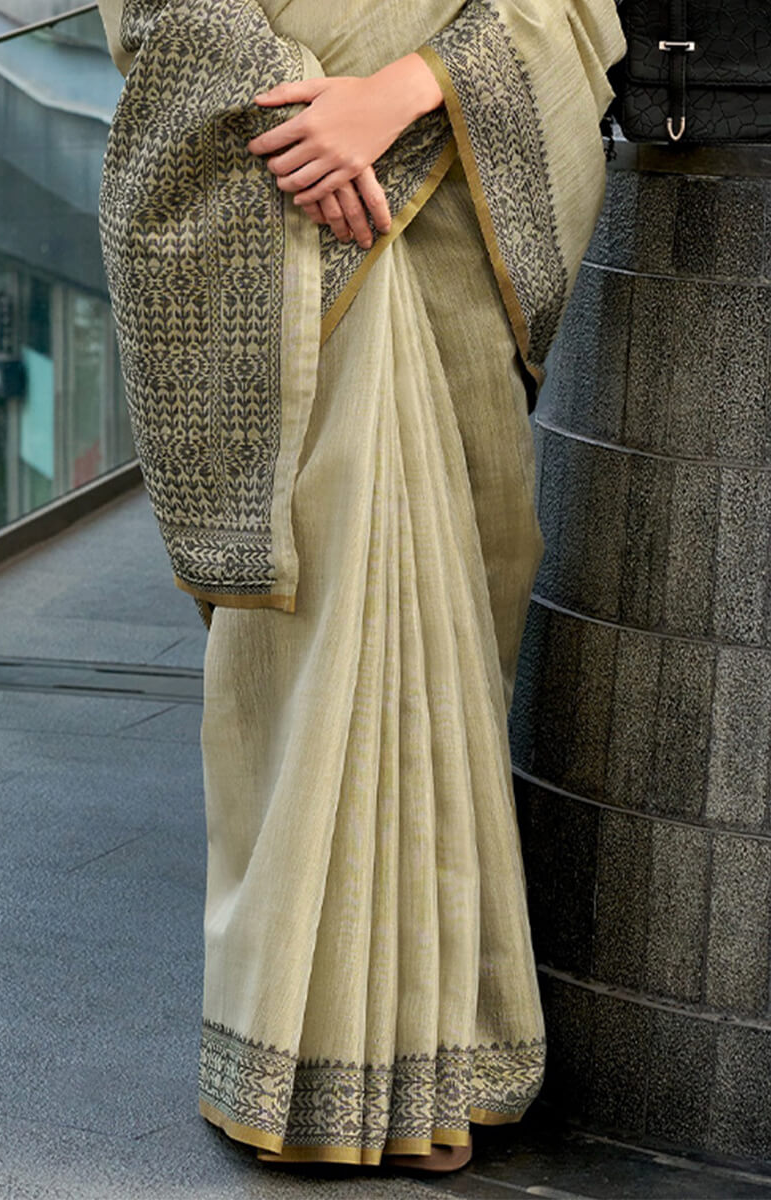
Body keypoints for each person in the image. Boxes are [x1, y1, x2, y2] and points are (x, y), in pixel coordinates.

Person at [95, 0, 626, 1175]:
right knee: (320, 631)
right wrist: (303, 114)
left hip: (453, 210)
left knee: (453, 613)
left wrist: (407, 90)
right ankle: (300, 1052)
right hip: (265, 185)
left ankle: (438, 1052)